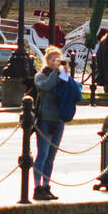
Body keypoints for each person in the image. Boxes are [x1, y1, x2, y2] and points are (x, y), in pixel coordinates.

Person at [32, 46, 75, 200]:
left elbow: (69, 88)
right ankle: (37, 187)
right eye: (52, 60)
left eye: (58, 59)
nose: (55, 62)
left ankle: (46, 185)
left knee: (51, 156)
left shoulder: (61, 75)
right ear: (47, 60)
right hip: (45, 120)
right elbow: (46, 86)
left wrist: (65, 73)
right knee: (42, 154)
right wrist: (56, 72)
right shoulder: (40, 75)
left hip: (58, 120)